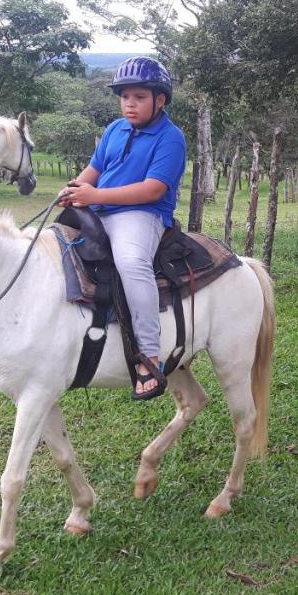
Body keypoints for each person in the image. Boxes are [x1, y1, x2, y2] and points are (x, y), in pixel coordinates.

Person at [58, 56, 187, 400]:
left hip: (140, 215)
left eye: (139, 97)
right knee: (52, 244)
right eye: (125, 96)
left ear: (160, 99)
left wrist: (95, 194)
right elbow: (95, 167)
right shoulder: (116, 129)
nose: (130, 104)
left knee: (131, 264)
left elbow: (153, 189)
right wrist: (74, 189)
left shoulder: (171, 138)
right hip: (98, 208)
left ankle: (149, 354)